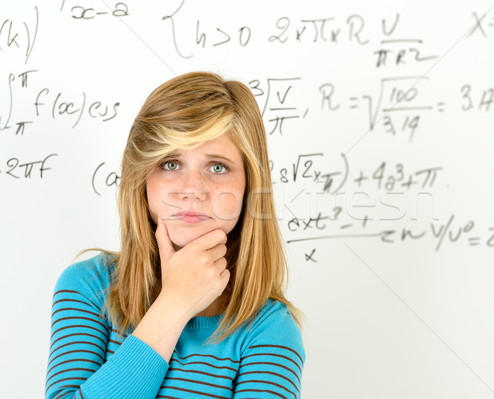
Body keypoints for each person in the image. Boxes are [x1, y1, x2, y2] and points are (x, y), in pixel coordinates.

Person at [45, 72, 306, 398]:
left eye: (218, 167)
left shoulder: (270, 330)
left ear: (248, 186)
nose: (193, 189)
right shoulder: (89, 286)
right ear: (142, 179)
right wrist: (174, 304)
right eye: (170, 163)